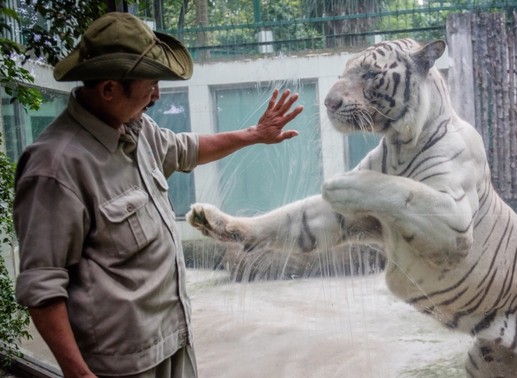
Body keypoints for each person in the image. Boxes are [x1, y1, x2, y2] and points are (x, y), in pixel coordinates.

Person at [13, 12, 303, 378]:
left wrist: (254, 134)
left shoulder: (135, 128)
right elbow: (42, 287)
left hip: (173, 342)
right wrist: (78, 374)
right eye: (150, 84)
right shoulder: (55, 168)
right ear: (108, 90)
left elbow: (186, 149)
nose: (157, 95)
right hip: (121, 365)